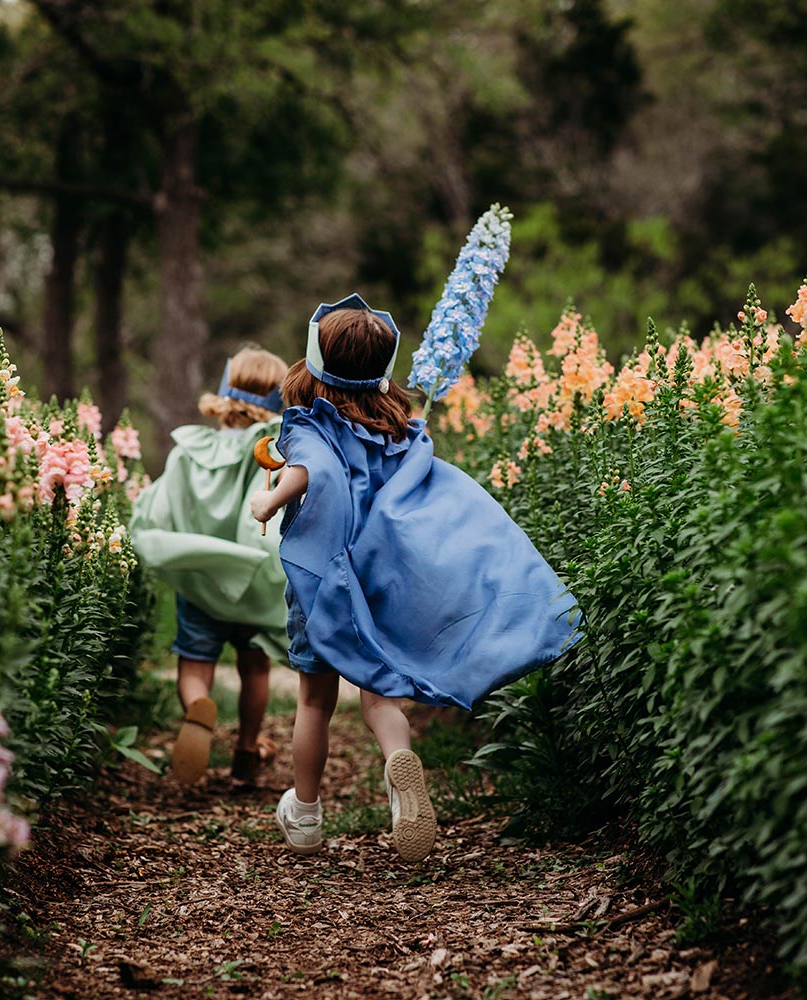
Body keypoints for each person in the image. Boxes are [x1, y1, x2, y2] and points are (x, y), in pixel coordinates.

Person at [249, 294, 581, 863]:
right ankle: (399, 767)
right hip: (379, 581)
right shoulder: (396, 426)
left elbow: (312, 471)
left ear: (312, 364)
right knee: (382, 695)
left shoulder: (308, 427)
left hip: (323, 586)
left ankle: (304, 814)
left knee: (314, 700)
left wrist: (269, 500)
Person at [130, 345, 289, 790]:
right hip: (253, 581)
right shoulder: (272, 453)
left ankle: (198, 705)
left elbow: (160, 508)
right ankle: (246, 750)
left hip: (199, 578)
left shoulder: (187, 450)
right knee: (255, 669)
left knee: (195, 662)